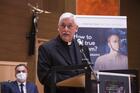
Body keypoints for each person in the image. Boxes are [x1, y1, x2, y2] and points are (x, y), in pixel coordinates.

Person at [37, 12, 91, 93]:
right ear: (58, 28)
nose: (66, 29)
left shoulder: (83, 49)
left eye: (69, 26)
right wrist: (71, 80)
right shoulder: (46, 48)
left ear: (76, 28)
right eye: (63, 26)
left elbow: (88, 73)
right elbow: (44, 76)